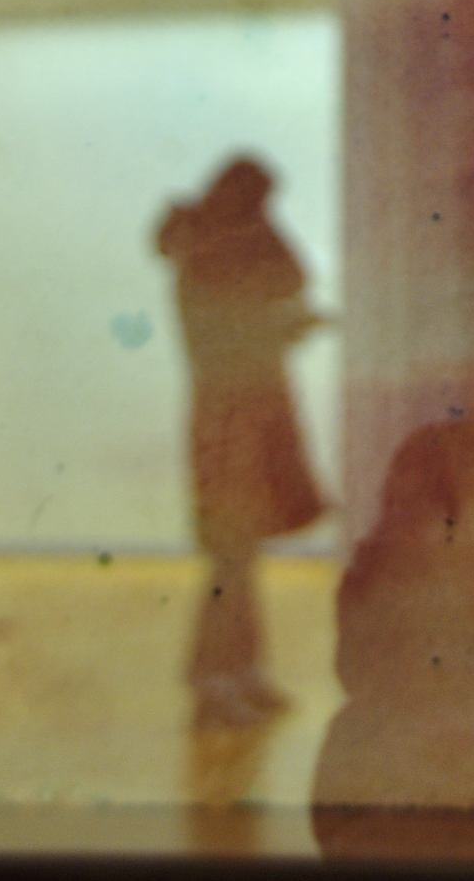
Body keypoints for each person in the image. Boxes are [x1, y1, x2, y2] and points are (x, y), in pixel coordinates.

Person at [156, 154, 331, 730]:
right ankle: (214, 681)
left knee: (239, 557)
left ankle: (240, 673)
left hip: (239, 422)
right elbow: (272, 299)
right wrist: (287, 325)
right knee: (231, 558)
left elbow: (279, 291)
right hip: (230, 426)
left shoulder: (211, 256)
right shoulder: (210, 261)